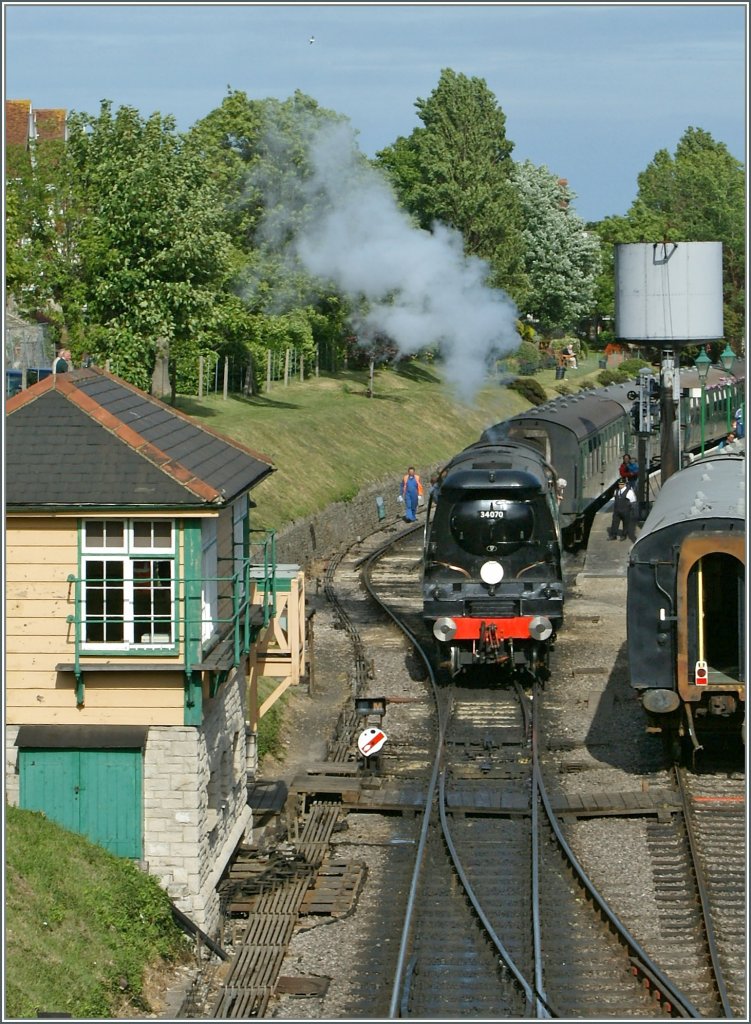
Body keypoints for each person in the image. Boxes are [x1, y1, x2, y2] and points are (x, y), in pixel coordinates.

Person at [608, 477, 638, 541]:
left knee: (625, 523)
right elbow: (615, 499)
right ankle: (613, 535)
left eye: (622, 484)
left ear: (624, 484)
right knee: (614, 523)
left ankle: (624, 535)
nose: (620, 485)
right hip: (617, 511)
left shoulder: (629, 492)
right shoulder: (616, 491)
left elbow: (633, 501)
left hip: (626, 511)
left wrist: (632, 510)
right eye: (619, 484)